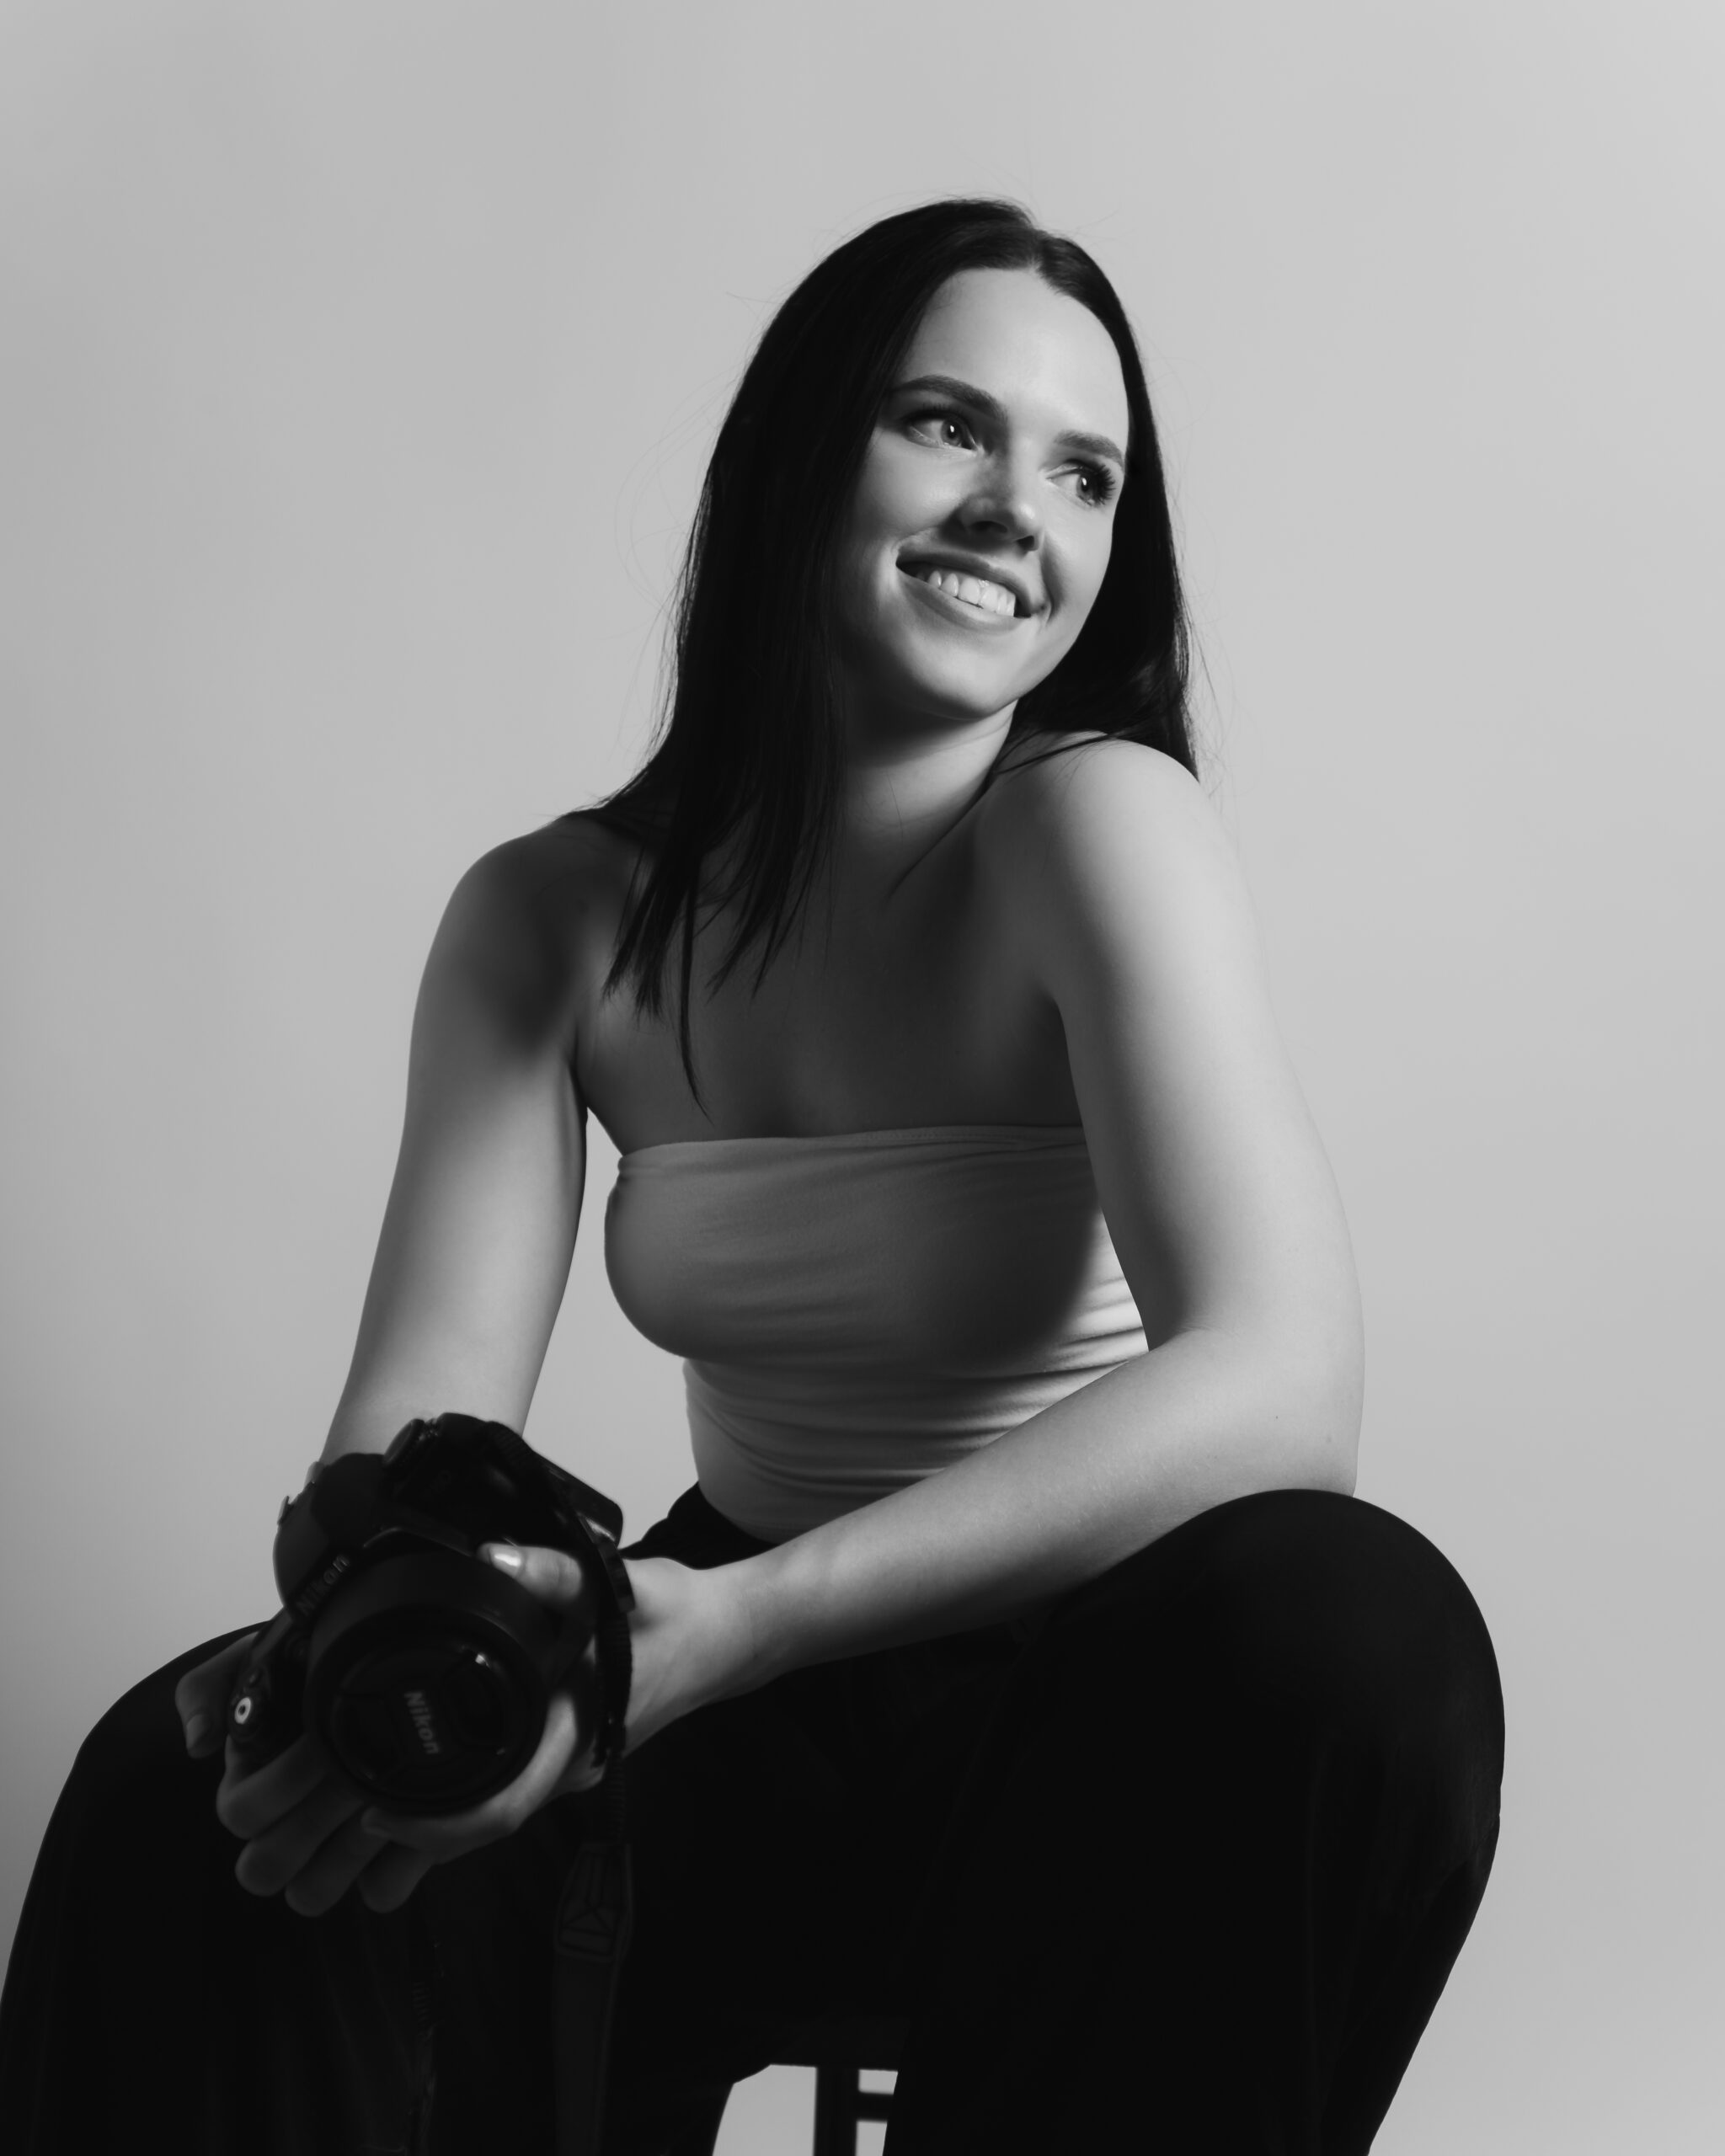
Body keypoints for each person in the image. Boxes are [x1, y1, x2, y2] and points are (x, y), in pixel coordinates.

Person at [0, 199, 1504, 2154]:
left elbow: (1283, 1383)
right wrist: (379, 1642)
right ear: (800, 451)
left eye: (1084, 472)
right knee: (181, 1769)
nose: (1015, 511)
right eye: (946, 425)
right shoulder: (550, 917)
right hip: (712, 1687)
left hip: (1088, 1708)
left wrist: (745, 1619)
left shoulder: (1096, 823)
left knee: (1354, 1624)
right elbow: (405, 1440)